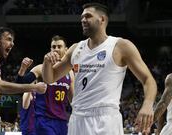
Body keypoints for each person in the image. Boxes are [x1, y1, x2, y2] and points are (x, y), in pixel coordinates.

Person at [42, 3, 157, 135]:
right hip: (77, 117)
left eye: (88, 16)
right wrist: (46, 62)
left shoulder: (121, 46)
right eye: (82, 17)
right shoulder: (75, 48)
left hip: (105, 119)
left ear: (102, 19)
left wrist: (148, 105)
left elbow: (148, 80)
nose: (83, 20)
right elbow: (49, 78)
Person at [18, 35, 74, 135]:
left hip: (61, 120)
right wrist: (22, 69)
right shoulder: (40, 68)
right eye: (53, 47)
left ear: (66, 50)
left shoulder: (70, 73)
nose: (56, 49)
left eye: (59, 46)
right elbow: (20, 84)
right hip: (44, 120)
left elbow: (72, 99)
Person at [17, 57, 36, 135]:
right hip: (28, 129)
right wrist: (30, 86)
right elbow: (25, 106)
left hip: (37, 128)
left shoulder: (38, 93)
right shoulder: (27, 93)